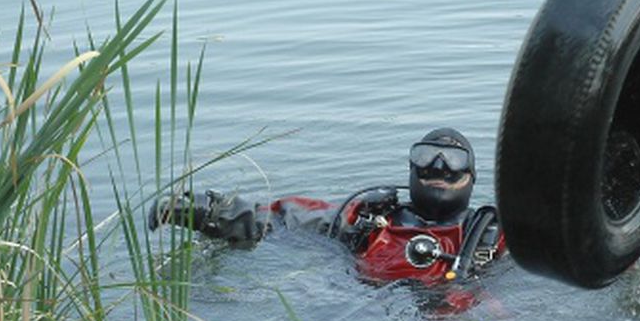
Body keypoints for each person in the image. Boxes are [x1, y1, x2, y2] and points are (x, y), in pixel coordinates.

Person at [149, 128, 506, 287]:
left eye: (453, 161)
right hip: (366, 317)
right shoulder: (366, 221)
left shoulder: (491, 237)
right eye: (426, 157)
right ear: (410, 170)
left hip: (453, 319)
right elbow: (284, 217)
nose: (439, 167)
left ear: (472, 177)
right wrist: (204, 211)